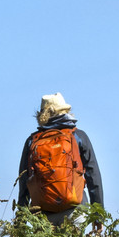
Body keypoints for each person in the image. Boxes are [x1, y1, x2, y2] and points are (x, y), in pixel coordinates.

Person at [17, 94, 103, 223]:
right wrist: (98, 216)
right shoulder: (77, 136)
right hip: (75, 210)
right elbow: (93, 176)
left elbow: (24, 181)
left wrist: (20, 220)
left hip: (42, 216)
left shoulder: (32, 141)